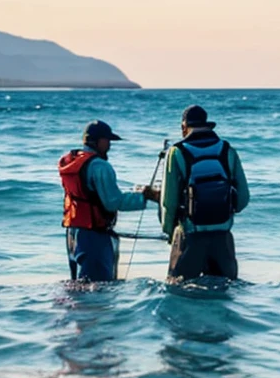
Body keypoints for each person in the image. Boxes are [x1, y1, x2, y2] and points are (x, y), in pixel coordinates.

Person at [59, 120, 160, 282]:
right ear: (96, 141)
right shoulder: (100, 166)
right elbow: (113, 202)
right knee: (98, 287)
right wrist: (145, 196)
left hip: (73, 232)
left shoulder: (71, 161)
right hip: (93, 236)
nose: (109, 146)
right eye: (107, 141)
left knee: (79, 286)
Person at [160, 105, 250, 281]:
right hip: (223, 239)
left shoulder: (177, 152)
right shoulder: (226, 150)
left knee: (181, 294)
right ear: (208, 125)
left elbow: (168, 202)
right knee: (223, 295)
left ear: (183, 127)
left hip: (189, 236)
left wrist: (170, 232)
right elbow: (244, 198)